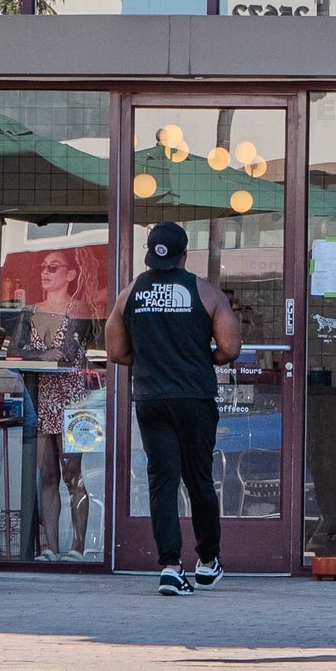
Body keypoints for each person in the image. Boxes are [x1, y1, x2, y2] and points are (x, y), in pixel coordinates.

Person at [105, 219, 242, 596]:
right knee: (198, 479)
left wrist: (153, 359)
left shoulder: (130, 292)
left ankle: (169, 567)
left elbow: (116, 351)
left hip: (151, 398)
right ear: (184, 254)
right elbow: (230, 348)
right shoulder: (205, 293)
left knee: (162, 483)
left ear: (150, 253)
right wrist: (202, 358)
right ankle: (208, 562)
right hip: (194, 397)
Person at [30, 247, 100, 560]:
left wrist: (36, 354)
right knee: (46, 476)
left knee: (73, 474)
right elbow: (15, 351)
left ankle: (78, 546)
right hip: (44, 399)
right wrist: (39, 354)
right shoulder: (32, 310)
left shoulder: (79, 308)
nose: (45, 272)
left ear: (70, 274)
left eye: (54, 267)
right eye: (43, 266)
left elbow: (70, 353)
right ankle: (50, 547)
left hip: (76, 399)